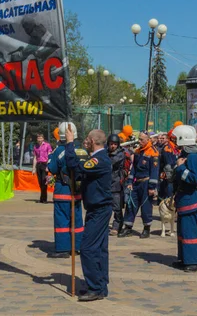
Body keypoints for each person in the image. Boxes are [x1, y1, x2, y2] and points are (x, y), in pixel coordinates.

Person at [63, 126, 112, 301]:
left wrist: (69, 143)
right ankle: (100, 285)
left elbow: (74, 165)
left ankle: (95, 287)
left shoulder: (99, 160)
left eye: (86, 140)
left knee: (88, 248)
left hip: (99, 209)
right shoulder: (98, 158)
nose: (85, 143)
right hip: (96, 208)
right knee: (99, 249)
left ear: (92, 141)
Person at [46, 123, 84, 258]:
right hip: (77, 191)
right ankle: (77, 246)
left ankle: (62, 248)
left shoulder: (58, 151)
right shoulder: (80, 150)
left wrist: (50, 159)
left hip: (63, 190)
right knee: (77, 220)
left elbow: (53, 168)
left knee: (62, 219)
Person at [171, 125, 197, 272]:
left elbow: (194, 178)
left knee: (190, 231)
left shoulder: (194, 156)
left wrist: (180, 168)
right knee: (183, 231)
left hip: (190, 198)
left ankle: (194, 261)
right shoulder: (186, 153)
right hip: (183, 198)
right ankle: (184, 258)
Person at [119, 132, 160, 238]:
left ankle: (146, 228)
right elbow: (133, 168)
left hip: (146, 183)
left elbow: (154, 171)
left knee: (146, 207)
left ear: (148, 140)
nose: (139, 141)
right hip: (136, 183)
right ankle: (128, 228)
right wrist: (129, 182)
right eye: (139, 139)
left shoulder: (153, 152)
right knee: (131, 205)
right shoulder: (137, 151)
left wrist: (152, 187)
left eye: (142, 139)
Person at [107, 134, 126, 236]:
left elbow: (111, 162)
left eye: (115, 144)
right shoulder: (105, 152)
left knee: (117, 207)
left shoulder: (120, 154)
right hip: (106, 183)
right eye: (111, 144)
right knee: (106, 207)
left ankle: (117, 225)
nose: (113, 146)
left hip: (116, 183)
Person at [159, 129, 180, 200]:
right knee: (169, 184)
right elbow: (168, 163)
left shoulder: (174, 147)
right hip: (169, 171)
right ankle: (168, 199)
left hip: (174, 170)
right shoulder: (167, 148)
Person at [32, 134, 53, 203]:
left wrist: (48, 166)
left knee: (44, 181)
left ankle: (44, 198)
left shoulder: (47, 145)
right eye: (38, 138)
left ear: (43, 138)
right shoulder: (36, 146)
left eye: (40, 138)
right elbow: (35, 157)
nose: (39, 139)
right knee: (40, 182)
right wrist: (33, 168)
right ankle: (42, 197)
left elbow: (49, 155)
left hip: (45, 164)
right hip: (39, 164)